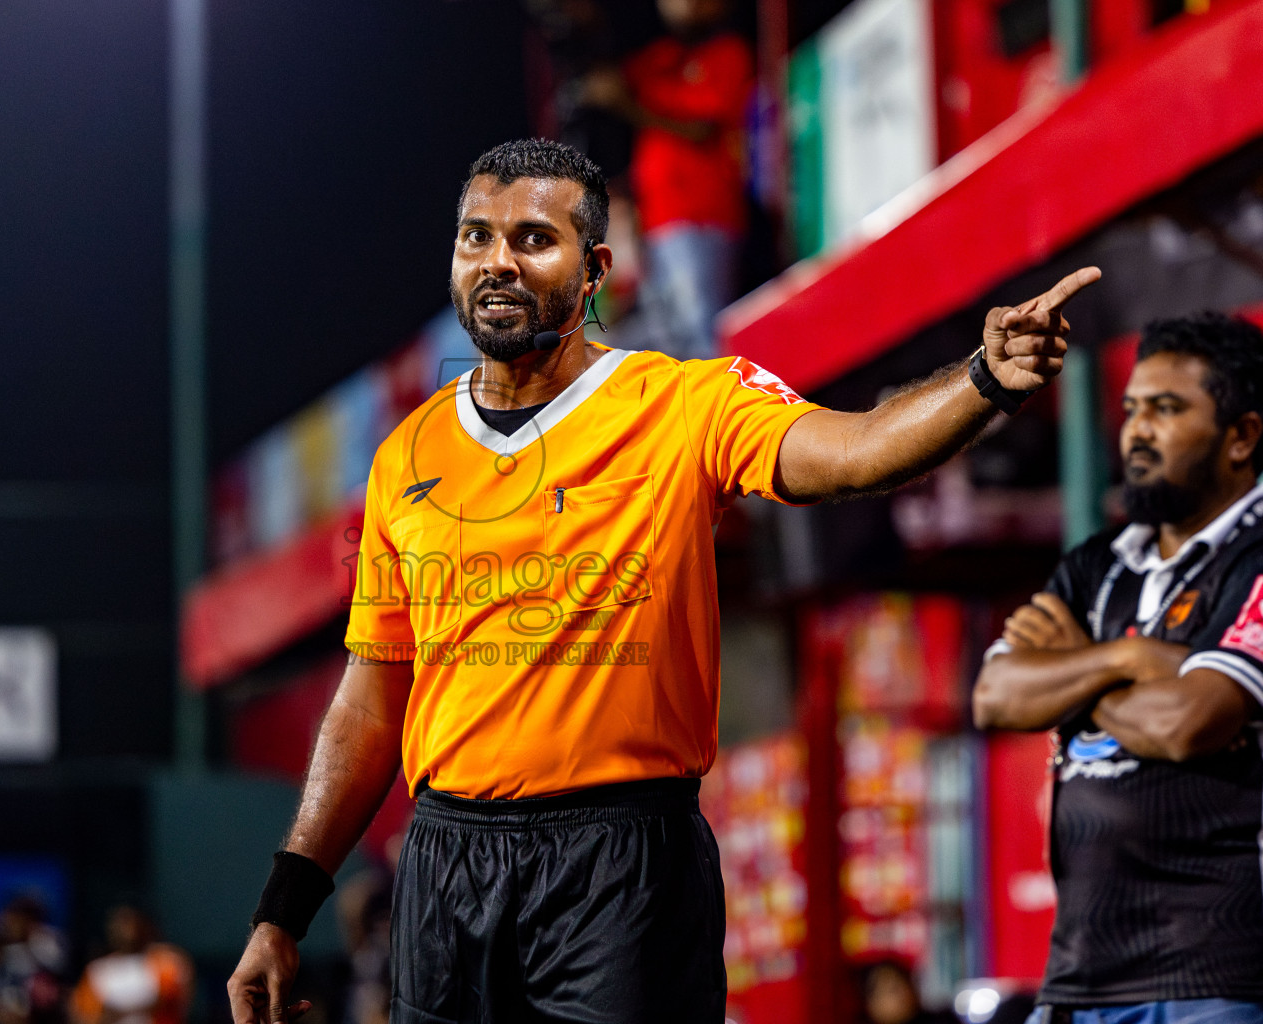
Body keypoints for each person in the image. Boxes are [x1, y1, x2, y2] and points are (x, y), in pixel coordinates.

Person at [228, 137, 1095, 1024]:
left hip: (621, 861)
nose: (497, 261)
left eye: (533, 239)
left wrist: (986, 379)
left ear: (595, 267)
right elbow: (372, 699)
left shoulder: (685, 403)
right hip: (446, 863)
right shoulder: (403, 455)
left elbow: (855, 454)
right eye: (475, 237)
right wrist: (283, 911)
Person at [973, 313, 1263, 1023]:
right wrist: (1131, 659)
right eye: (1133, 408)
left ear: (1242, 436)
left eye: (1167, 410)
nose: (1137, 430)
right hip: (1080, 978)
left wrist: (1070, 673)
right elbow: (995, 696)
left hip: (1217, 979)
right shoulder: (1098, 564)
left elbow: (1187, 721)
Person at [580, 0, 754, 360]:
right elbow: (606, 77)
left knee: (703, 335)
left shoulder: (727, 52)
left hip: (702, 217)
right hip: (654, 224)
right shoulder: (659, 58)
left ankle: (726, 413)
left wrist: (627, 105)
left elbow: (701, 128)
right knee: (668, 341)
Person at [68, 907, 190, 1024]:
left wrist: (125, 1010)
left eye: (129, 922)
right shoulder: (97, 970)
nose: (125, 930)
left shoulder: (164, 964)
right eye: (119, 924)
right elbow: (84, 1015)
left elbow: (174, 1003)